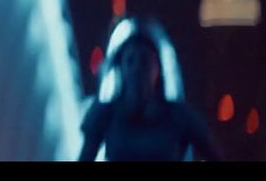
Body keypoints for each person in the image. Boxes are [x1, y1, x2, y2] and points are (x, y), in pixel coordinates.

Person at [79, 19, 223, 161]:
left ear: (158, 67)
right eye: (130, 60)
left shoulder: (180, 116)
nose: (136, 69)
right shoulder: (104, 115)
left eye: (144, 61)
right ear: (120, 67)